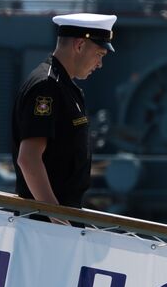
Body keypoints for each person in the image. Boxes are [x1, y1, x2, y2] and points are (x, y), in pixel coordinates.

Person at [11, 13, 114, 221]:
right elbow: (29, 159)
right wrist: (57, 219)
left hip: (60, 215)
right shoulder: (46, 86)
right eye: (99, 54)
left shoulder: (67, 88)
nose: (100, 64)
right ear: (79, 45)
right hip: (45, 222)